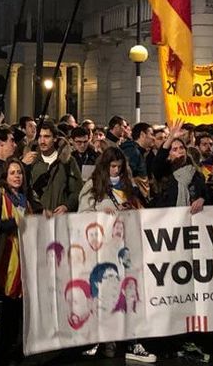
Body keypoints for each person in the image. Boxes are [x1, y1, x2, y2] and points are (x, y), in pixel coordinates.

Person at [77, 148, 156, 364]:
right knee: (104, 296)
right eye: (112, 166)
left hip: (127, 250)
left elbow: (141, 211)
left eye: (119, 167)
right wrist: (102, 214)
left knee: (130, 293)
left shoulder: (128, 185)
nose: (116, 170)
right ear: (104, 167)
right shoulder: (93, 186)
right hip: (103, 251)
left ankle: (132, 341)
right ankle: (104, 340)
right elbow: (81, 216)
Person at [0, 158, 35, 364]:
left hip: (23, 262)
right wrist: (15, 222)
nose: (17, 176)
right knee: (6, 313)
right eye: (13, 172)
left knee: (18, 314)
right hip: (4, 262)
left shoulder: (25, 199)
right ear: (5, 176)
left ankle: (16, 350)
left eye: (19, 173)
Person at [28, 121, 82, 216]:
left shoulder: (67, 161)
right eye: (40, 137)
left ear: (55, 138)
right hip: (37, 218)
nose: (42, 141)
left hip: (60, 218)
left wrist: (67, 206)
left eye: (46, 137)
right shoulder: (31, 161)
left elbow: (77, 189)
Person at [150, 137, 205, 213]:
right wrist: (171, 136)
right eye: (175, 149)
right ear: (168, 156)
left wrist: (202, 199)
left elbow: (205, 193)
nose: (179, 151)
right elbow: (157, 163)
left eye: (181, 148)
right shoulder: (164, 173)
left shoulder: (197, 174)